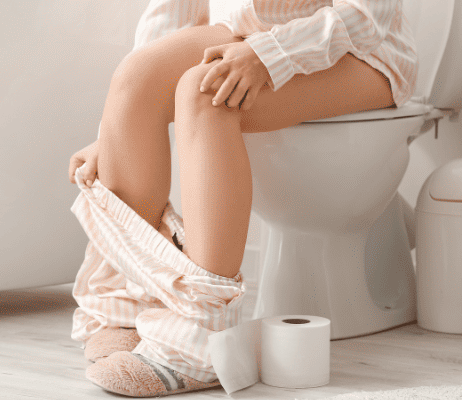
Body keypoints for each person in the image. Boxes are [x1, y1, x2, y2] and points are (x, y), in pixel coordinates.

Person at [66, 0, 417, 397]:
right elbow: (173, 13)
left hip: (363, 52)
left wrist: (270, 55)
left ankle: (201, 339)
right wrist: (114, 135)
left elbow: (369, 17)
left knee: (206, 92)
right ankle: (134, 304)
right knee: (137, 74)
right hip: (247, 35)